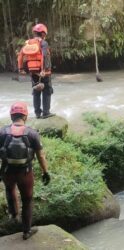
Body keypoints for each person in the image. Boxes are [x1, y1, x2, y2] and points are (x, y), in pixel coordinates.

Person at [0, 102, 51, 240]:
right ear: (25, 116)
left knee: (10, 190)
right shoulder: (32, 133)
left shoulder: (2, 132)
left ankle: (13, 215)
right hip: (25, 172)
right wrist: (45, 172)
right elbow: (41, 155)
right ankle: (26, 231)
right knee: (27, 200)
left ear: (11, 116)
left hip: (7, 171)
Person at [17, 23, 55, 119]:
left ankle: (37, 114)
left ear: (34, 33)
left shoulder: (28, 43)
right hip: (44, 72)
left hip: (33, 72)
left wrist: (20, 68)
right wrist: (43, 69)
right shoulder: (43, 43)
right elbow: (44, 56)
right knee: (47, 91)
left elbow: (20, 56)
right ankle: (46, 113)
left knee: (36, 91)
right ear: (43, 34)